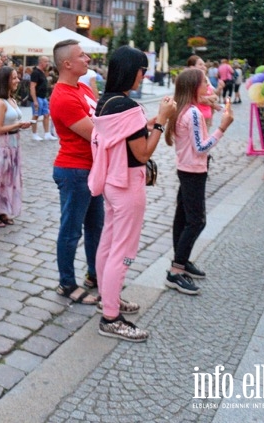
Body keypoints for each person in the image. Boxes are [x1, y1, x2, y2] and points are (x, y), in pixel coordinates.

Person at [90, 46, 176, 342]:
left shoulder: (106, 102)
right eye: (142, 70)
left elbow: (124, 136)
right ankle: (111, 318)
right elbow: (142, 153)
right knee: (123, 251)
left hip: (111, 183)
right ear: (131, 71)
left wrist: (146, 123)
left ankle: (107, 298)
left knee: (108, 243)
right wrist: (162, 120)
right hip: (127, 183)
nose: (144, 76)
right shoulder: (127, 106)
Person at [163, 68, 234, 296]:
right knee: (196, 221)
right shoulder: (192, 113)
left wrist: (214, 105)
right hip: (193, 170)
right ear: (194, 87)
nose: (209, 86)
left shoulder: (183, 107)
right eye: (205, 83)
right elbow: (201, 146)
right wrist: (222, 128)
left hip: (186, 168)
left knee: (182, 217)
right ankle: (176, 271)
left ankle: (181, 261)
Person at [50, 39, 103, 304]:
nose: (88, 59)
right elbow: (96, 133)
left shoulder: (82, 87)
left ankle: (94, 274)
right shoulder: (62, 97)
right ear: (67, 64)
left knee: (96, 226)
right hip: (74, 170)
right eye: (82, 56)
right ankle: (67, 283)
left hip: (92, 169)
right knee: (71, 230)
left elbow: (103, 118)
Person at [0, 66, 32, 227]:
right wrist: (18, 124)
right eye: (14, 78)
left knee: (9, 179)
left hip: (13, 144)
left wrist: (19, 126)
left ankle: (2, 208)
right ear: (6, 81)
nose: (18, 80)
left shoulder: (12, 100)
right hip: (1, 145)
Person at [187, 55, 220, 129]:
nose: (204, 67)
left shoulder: (206, 78)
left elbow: (214, 95)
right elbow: (196, 99)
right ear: (192, 67)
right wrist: (212, 104)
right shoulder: (190, 80)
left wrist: (219, 88)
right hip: (196, 117)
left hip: (207, 116)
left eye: (204, 65)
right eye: (200, 64)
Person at [30, 55, 57, 141]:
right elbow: (32, 86)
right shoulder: (35, 72)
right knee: (36, 115)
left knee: (46, 114)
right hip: (37, 97)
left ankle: (47, 134)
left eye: (48, 62)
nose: (48, 64)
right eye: (46, 62)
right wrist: (34, 100)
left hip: (43, 97)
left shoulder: (42, 72)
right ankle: (34, 134)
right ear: (41, 62)